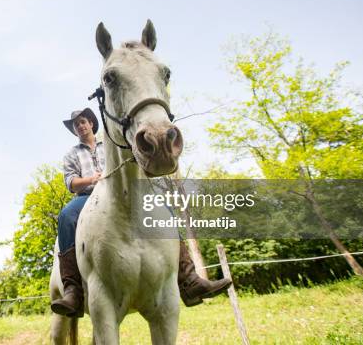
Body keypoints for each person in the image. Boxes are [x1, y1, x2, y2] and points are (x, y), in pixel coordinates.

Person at [51, 108, 232, 317]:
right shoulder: (72, 154)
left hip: (120, 193)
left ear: (91, 123)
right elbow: (71, 183)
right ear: (74, 130)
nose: (80, 126)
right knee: (66, 217)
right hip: (88, 197)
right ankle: (73, 289)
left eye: (83, 122)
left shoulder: (109, 143)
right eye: (76, 125)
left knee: (164, 208)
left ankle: (189, 279)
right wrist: (92, 179)